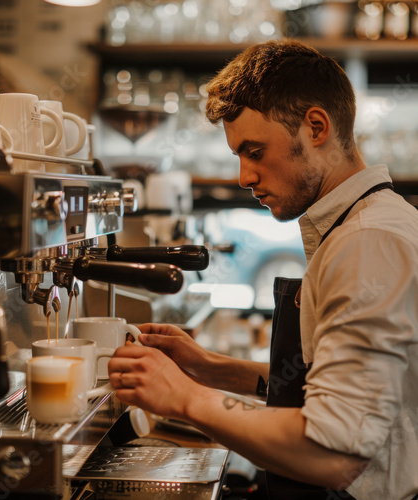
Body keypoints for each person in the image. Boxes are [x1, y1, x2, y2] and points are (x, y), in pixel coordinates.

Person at [108, 39, 418, 500]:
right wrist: (209, 368)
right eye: (238, 155)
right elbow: (336, 384)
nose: (244, 177)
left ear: (316, 127)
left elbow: (333, 451)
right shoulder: (363, 223)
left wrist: (186, 398)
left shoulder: (365, 242)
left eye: (254, 151)